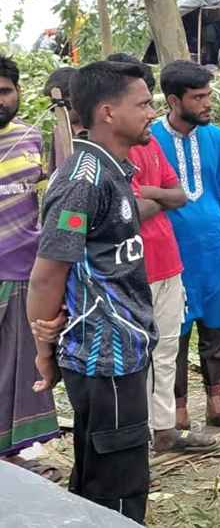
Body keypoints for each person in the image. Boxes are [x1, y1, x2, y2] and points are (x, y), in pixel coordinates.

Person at [26, 60, 156, 522]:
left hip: (121, 351)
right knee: (118, 486)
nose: (152, 113)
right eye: (143, 104)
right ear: (107, 112)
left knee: (98, 473)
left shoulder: (111, 169)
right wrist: (44, 351)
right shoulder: (83, 181)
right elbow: (47, 274)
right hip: (105, 357)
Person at [114, 56, 217, 453]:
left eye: (148, 102)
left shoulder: (150, 143)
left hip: (168, 261)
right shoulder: (108, 155)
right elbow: (127, 210)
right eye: (141, 104)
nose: (149, 112)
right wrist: (156, 198)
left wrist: (149, 193)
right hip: (134, 267)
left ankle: (164, 430)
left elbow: (179, 196)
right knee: (139, 354)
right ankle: (139, 434)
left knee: (167, 348)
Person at [150, 62, 220, 431]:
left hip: (215, 246)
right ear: (174, 101)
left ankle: (216, 406)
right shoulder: (149, 140)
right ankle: (178, 413)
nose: (207, 103)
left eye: (208, 95)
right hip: (170, 251)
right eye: (198, 97)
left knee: (218, 322)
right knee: (174, 327)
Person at [0, 56, 61, 479]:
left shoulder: (33, 138)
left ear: (18, 92)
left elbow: (51, 196)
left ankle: (9, 454)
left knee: (18, 369)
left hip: (24, 271)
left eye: (5, 91)